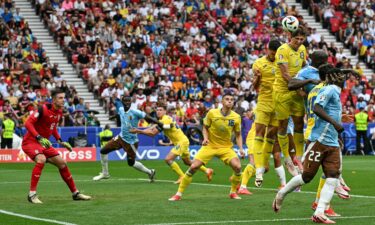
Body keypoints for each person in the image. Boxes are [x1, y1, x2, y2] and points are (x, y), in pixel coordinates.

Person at [272, 68, 346, 224]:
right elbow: (317, 108)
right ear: (333, 77)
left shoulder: (335, 92)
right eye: (341, 75)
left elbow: (328, 111)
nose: (344, 78)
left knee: (333, 176)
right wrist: (335, 123)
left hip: (332, 142)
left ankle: (319, 212)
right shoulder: (330, 89)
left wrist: (338, 123)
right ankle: (281, 194)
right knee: (307, 177)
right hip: (318, 140)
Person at [169, 93, 245, 201]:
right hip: (210, 146)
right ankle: (178, 194)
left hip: (225, 147)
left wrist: (241, 149)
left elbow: (238, 135)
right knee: (194, 167)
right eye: (227, 99)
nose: (229, 101)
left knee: (237, 167)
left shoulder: (236, 117)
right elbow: (205, 127)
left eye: (232, 100)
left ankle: (233, 192)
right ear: (222, 102)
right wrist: (205, 138)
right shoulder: (212, 113)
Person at [22, 89, 91, 204]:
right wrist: (39, 137)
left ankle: (75, 193)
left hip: (44, 143)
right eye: (60, 98)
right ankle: (32, 194)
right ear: (53, 99)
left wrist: (60, 141)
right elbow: (28, 123)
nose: (63, 100)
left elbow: (52, 128)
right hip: (31, 142)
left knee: (62, 163)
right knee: (41, 159)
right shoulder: (42, 109)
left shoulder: (59, 112)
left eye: (64, 98)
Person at [240, 40, 286, 191]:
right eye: (273, 53)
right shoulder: (258, 64)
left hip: (278, 104)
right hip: (264, 102)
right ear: (268, 50)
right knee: (259, 133)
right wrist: (258, 77)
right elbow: (255, 87)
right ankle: (257, 169)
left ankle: (262, 168)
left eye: (277, 53)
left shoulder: (282, 63)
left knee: (271, 136)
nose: (275, 55)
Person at [131, 103, 213, 184]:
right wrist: (140, 130)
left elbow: (153, 133)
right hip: (182, 141)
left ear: (165, 111)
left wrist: (138, 131)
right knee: (188, 162)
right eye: (157, 110)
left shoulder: (165, 119)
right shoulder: (163, 120)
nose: (158, 111)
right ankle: (207, 170)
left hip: (182, 142)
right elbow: (151, 128)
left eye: (160, 110)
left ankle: (182, 177)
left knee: (168, 159)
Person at [93, 95, 156, 182]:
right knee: (103, 151)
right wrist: (114, 117)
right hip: (120, 137)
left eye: (128, 101)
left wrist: (159, 123)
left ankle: (150, 172)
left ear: (131, 102)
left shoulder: (135, 112)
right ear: (122, 102)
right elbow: (120, 115)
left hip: (131, 142)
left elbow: (149, 118)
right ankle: (105, 173)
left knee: (131, 163)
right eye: (125, 101)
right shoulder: (121, 109)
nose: (127, 103)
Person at [273, 27, 307, 181]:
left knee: (299, 123)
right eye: (296, 39)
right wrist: (300, 87)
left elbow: (304, 66)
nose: (299, 42)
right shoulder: (282, 50)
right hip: (282, 92)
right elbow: (285, 74)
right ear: (290, 37)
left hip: (297, 92)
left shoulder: (302, 49)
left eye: (302, 39)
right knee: (283, 125)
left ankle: (298, 157)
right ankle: (287, 158)